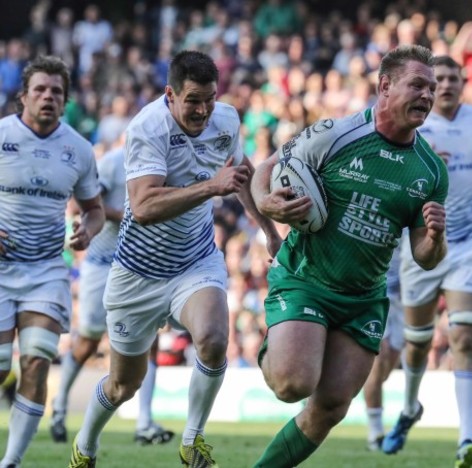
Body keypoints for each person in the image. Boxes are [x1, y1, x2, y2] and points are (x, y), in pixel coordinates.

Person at [67, 50, 282, 467]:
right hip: (138, 272)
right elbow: (144, 207)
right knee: (122, 385)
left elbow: (240, 176)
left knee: (215, 340)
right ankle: (85, 445)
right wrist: (209, 187)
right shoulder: (148, 127)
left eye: (210, 98)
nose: (203, 110)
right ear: (170, 94)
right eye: (193, 100)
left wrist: (269, 231)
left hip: (194, 261)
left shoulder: (226, 120)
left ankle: (192, 441)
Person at [250, 44, 448, 468]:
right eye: (418, 85)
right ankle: (274, 350)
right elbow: (266, 170)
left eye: (432, 89)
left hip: (364, 298)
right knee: (292, 384)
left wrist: (436, 234)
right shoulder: (334, 134)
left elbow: (425, 257)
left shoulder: (431, 171)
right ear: (384, 86)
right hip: (308, 279)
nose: (428, 96)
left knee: (331, 407)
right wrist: (266, 205)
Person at [383, 55, 472, 468]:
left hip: (469, 243)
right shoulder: (415, 123)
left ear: (464, 83)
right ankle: (411, 407)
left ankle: (466, 439)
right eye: (440, 78)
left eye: (454, 78)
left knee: (464, 338)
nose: (446, 85)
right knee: (416, 345)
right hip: (420, 244)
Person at [0, 55, 105, 468]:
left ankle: (11, 462)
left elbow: (94, 208)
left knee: (38, 359)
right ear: (22, 97)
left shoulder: (78, 149)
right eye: (40, 90)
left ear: (64, 102)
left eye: (56, 92)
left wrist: (89, 228)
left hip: (45, 270)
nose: (48, 97)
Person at [50, 145, 173, 446]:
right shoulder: (112, 163)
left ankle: (144, 421)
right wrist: (134, 215)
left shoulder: (165, 164)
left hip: (140, 265)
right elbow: (87, 204)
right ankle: (59, 406)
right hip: (102, 263)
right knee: (88, 342)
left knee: (150, 340)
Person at [362, 241, 405, 451]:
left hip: (405, 296)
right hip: (378, 289)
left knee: (387, 367)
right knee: (379, 357)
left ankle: (342, 385)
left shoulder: (417, 211)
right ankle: (376, 433)